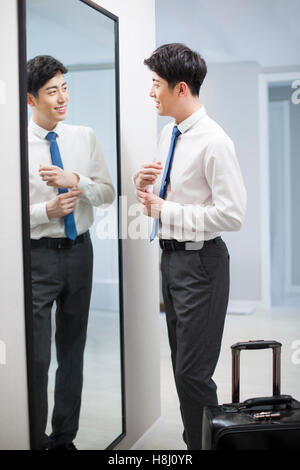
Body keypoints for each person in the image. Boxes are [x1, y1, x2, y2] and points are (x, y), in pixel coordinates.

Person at [133, 43, 246, 450]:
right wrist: (143, 187)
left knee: (193, 373)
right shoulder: (169, 134)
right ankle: (193, 444)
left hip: (202, 265)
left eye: (156, 84)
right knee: (183, 371)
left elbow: (232, 215)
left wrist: (169, 208)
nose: (151, 93)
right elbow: (170, 196)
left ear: (181, 88)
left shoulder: (216, 142)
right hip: (171, 260)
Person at [27, 55, 115, 450]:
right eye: (52, 92)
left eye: (64, 88)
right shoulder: (11, 147)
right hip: (36, 258)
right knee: (36, 358)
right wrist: (45, 210)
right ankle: (33, 438)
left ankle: (64, 440)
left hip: (80, 252)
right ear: (31, 100)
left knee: (73, 352)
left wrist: (74, 180)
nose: (62, 98)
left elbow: (108, 193)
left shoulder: (85, 137)